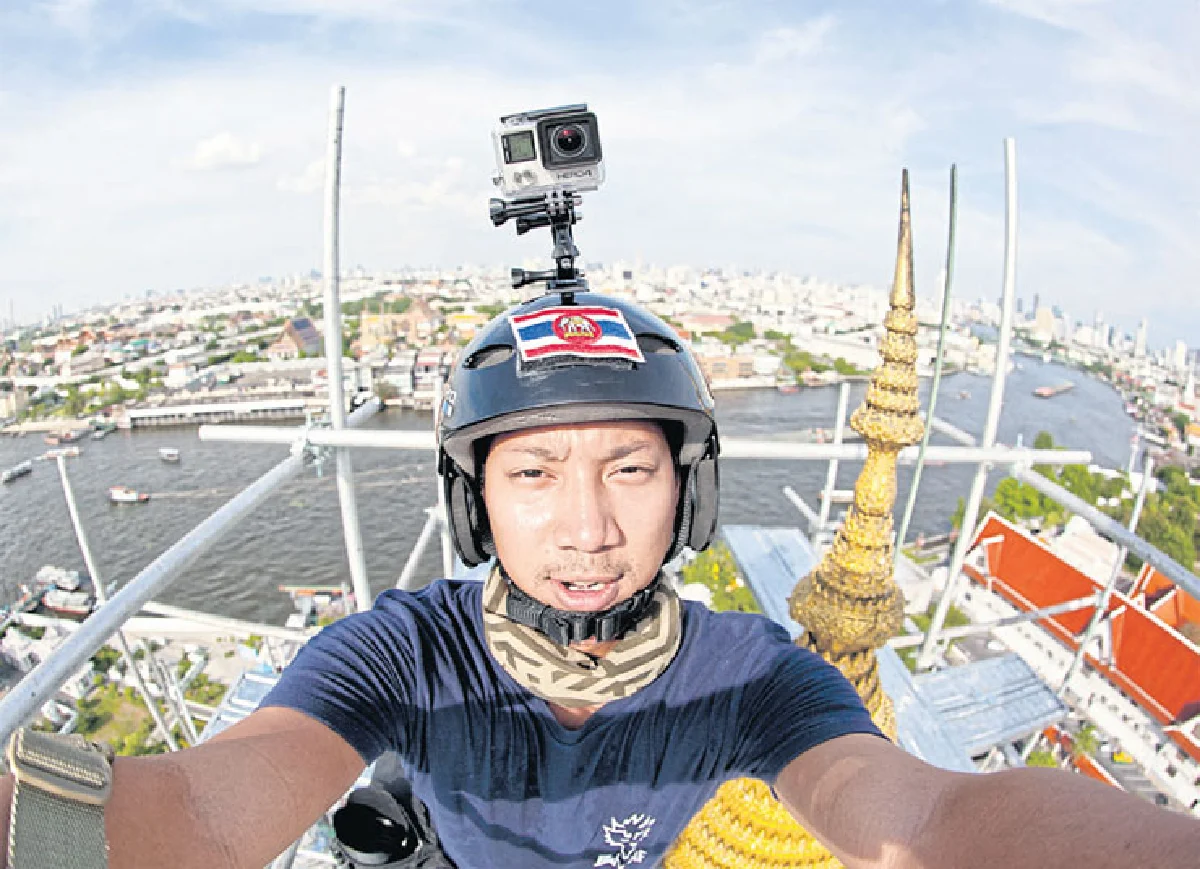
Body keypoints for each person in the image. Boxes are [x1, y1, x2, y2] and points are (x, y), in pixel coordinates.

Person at [2, 292, 1198, 869]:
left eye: (630, 467)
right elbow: (204, 809)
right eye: (533, 473)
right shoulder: (400, 654)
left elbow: (925, 819)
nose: (587, 527)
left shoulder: (750, 677)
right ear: (476, 502)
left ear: (689, 493)